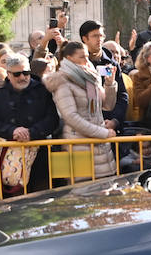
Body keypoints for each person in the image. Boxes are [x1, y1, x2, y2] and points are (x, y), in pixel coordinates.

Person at [44, 40, 118, 183]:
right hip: (77, 147)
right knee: (80, 196)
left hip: (100, 148)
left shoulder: (90, 76)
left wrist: (110, 83)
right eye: (82, 57)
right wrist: (103, 133)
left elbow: (107, 105)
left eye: (87, 56)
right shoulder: (62, 80)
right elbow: (70, 117)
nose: (86, 60)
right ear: (69, 58)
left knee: (105, 195)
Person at [0, 53, 58, 197]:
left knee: (39, 202)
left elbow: (52, 120)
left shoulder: (42, 91)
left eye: (26, 73)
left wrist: (32, 132)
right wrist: (13, 131)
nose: (23, 77)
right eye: (17, 74)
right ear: (9, 75)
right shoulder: (1, 94)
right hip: (10, 161)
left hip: (39, 158)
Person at [79, 20, 129, 129]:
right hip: (83, 126)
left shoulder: (111, 64)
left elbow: (122, 95)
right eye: (95, 36)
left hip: (108, 125)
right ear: (84, 39)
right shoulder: (76, 63)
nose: (99, 39)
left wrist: (115, 121)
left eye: (101, 35)